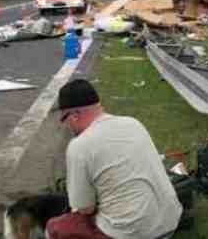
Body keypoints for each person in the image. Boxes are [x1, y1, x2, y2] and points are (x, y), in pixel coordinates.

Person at [46, 79, 182, 239]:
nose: (66, 125)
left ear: (75, 115)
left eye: (64, 119)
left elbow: (84, 209)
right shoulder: (133, 123)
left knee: (55, 227)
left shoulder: (79, 146)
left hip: (133, 233)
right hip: (170, 221)